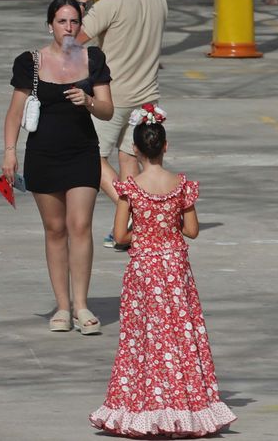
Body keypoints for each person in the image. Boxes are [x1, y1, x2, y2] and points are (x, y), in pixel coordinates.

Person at [89, 109, 236, 438]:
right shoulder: (180, 185)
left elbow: (121, 235)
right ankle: (185, 404)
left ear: (137, 151)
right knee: (180, 334)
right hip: (174, 269)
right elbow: (193, 231)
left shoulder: (130, 188)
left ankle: (144, 404)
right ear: (165, 147)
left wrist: (143, 234)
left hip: (144, 271)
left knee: (143, 337)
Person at [2, 0, 118, 335]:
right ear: (50, 24)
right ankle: (62, 306)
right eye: (62, 22)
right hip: (43, 154)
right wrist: (10, 151)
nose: (69, 28)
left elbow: (108, 110)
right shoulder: (30, 62)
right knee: (55, 230)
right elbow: (14, 112)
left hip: (82, 152)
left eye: (74, 22)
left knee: (80, 225)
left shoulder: (92, 58)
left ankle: (82, 305)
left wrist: (90, 101)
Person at [76, 0, 168, 245]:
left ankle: (133, 212)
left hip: (113, 96)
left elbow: (70, 41)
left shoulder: (109, 4)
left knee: (90, 157)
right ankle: (131, 228)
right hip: (148, 95)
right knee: (130, 157)